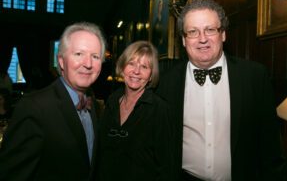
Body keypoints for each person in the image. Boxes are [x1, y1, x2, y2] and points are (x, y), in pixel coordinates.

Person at [156, 0, 285, 181]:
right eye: (193, 32)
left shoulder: (254, 77)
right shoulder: (166, 82)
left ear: (223, 34)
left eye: (210, 29)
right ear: (184, 40)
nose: (202, 39)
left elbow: (271, 148)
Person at [0, 22, 106, 181]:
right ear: (61, 61)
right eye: (79, 54)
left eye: (95, 56)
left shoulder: (92, 101)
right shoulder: (34, 107)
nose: (88, 64)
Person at [98, 41, 173, 181]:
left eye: (144, 66)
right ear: (122, 67)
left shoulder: (159, 109)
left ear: (151, 75)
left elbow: (166, 167)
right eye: (131, 63)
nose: (136, 71)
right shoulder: (112, 101)